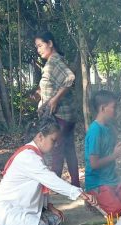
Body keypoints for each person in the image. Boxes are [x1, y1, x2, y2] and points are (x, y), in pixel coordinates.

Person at [0, 117, 97, 225]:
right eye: (53, 140)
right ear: (40, 136)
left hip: (24, 208)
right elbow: (50, 179)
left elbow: (42, 185)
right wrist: (78, 193)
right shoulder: (28, 157)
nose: (56, 145)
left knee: (57, 220)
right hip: (9, 209)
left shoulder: (36, 155)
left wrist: (50, 207)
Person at [34, 31, 79, 187]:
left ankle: (54, 187)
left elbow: (70, 78)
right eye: (37, 47)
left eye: (40, 45)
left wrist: (55, 99)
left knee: (57, 150)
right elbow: (59, 84)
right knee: (68, 150)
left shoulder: (54, 62)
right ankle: (75, 184)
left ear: (50, 43)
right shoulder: (54, 62)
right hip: (66, 115)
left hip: (60, 116)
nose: (38, 50)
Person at [84, 90, 121, 216]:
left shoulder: (109, 128)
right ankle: (92, 199)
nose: (116, 111)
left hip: (113, 181)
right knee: (117, 211)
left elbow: (110, 155)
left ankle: (107, 198)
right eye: (113, 107)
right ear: (103, 108)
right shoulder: (95, 131)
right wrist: (115, 155)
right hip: (98, 183)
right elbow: (94, 164)